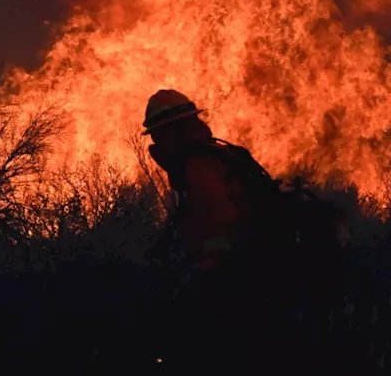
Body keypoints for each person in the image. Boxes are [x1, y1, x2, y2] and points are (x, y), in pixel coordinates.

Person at [142, 89, 346, 372]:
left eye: (157, 135)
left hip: (243, 279)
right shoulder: (223, 154)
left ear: (172, 132)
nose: (155, 143)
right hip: (266, 272)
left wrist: (206, 275)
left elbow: (219, 217)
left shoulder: (197, 166)